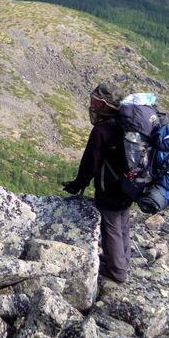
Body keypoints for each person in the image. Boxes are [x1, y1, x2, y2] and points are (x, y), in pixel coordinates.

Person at [62, 82, 131, 283]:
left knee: (111, 226)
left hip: (110, 186)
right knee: (123, 223)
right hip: (131, 184)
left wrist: (77, 185)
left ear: (103, 103)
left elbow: (90, 163)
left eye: (94, 100)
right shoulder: (128, 125)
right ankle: (123, 261)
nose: (91, 103)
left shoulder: (102, 129)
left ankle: (117, 271)